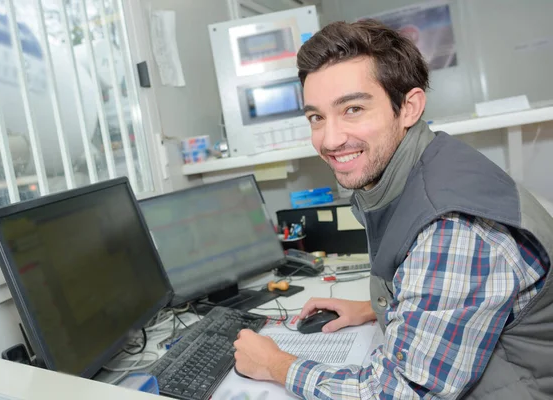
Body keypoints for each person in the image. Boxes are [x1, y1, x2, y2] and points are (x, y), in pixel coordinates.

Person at [233, 19, 553, 399]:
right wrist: (376, 307)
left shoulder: (451, 226)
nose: (329, 139)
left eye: (352, 109)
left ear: (409, 107)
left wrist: (275, 364)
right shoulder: (431, 164)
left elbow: (396, 393)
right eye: (316, 117)